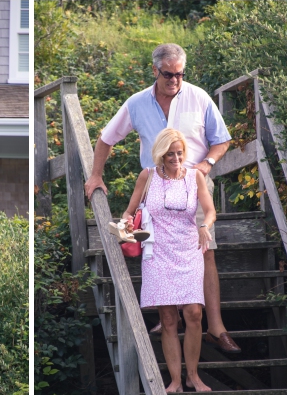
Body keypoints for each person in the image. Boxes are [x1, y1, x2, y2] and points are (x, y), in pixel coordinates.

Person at [84, 43, 241, 353]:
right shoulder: (137, 103)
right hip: (154, 187)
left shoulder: (198, 98)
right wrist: (95, 175)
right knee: (157, 249)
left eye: (180, 74)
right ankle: (167, 313)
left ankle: (216, 327)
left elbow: (221, 140)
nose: (175, 80)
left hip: (192, 186)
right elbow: (106, 137)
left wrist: (207, 164)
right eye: (168, 74)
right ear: (154, 70)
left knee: (204, 250)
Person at [121, 128, 215, 393]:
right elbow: (129, 211)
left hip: (188, 249)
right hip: (157, 251)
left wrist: (205, 225)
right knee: (168, 318)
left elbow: (210, 211)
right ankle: (175, 380)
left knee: (194, 313)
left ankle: (193, 376)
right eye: (170, 153)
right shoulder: (148, 176)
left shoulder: (195, 176)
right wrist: (128, 221)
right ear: (161, 154)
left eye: (180, 153)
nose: (176, 158)